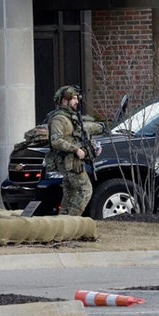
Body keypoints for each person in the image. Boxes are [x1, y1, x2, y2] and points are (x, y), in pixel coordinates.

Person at [47, 85, 94, 217]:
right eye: (73, 98)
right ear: (64, 100)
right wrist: (76, 149)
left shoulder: (71, 117)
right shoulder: (58, 119)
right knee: (85, 190)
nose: (77, 101)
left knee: (70, 194)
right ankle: (72, 221)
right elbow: (56, 141)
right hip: (68, 162)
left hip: (74, 162)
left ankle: (63, 223)